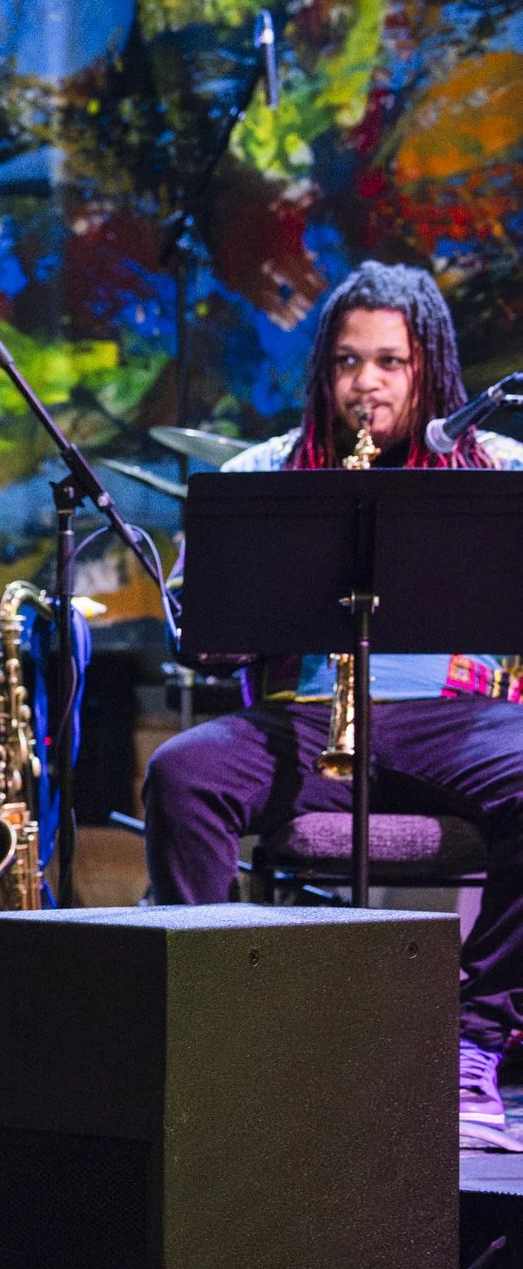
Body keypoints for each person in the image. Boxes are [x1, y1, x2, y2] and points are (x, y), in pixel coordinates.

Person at [143, 261, 523, 1152]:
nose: (368, 384)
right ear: (325, 371)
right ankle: (217, 1032)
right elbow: (200, 629)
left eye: (391, 362)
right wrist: (225, 625)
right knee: (181, 773)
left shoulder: (501, 470)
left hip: (460, 719)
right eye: (350, 363)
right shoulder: (264, 472)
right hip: (310, 718)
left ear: (429, 366)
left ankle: (476, 1040)